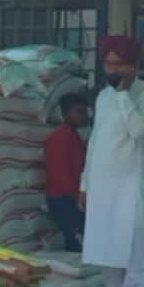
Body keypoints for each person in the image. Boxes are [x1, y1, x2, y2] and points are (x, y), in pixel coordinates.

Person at [81, 35, 144, 287]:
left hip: (131, 192)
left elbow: (139, 130)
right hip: (102, 192)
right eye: (108, 63)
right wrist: (84, 184)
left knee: (135, 265)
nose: (112, 69)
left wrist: (125, 94)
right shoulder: (102, 98)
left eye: (119, 64)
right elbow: (95, 143)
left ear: (133, 66)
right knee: (109, 264)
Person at [45, 93, 89, 252]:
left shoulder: (74, 137)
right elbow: (61, 174)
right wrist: (78, 197)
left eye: (85, 111)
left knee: (78, 241)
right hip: (64, 199)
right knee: (78, 241)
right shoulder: (59, 138)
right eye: (79, 112)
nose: (84, 116)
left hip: (73, 198)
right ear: (65, 114)